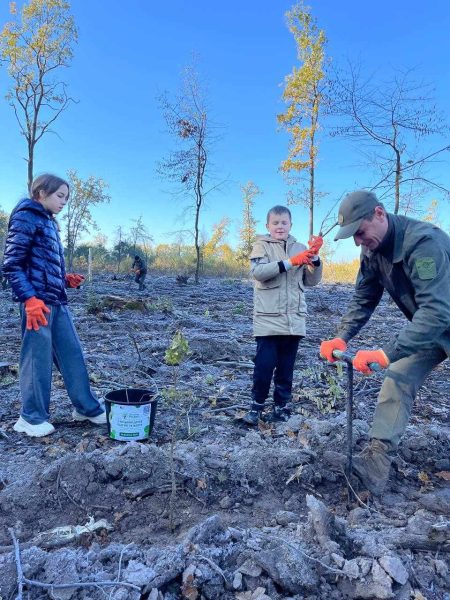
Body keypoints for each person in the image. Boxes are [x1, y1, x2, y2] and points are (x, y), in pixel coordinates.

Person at [320, 190, 450, 494]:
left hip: (436, 317)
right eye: (353, 236)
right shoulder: (372, 251)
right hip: (430, 328)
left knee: (394, 361)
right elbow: (364, 298)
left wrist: (384, 352)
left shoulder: (423, 243)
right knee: (398, 377)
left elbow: (436, 311)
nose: (358, 242)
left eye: (360, 232)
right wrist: (341, 335)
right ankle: (376, 464)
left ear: (379, 214)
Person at [2, 173, 107, 437]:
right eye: (60, 196)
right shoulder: (26, 215)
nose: (64, 202)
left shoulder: (50, 222)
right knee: (37, 360)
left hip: (56, 301)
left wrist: (63, 279)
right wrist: (29, 299)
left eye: (66, 198)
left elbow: (41, 263)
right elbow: (12, 265)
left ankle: (86, 407)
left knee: (72, 354)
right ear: (40, 193)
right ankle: (31, 417)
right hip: (36, 305)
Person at [243, 205, 323, 425]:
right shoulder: (261, 246)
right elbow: (258, 273)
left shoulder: (300, 247)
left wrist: (314, 259)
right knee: (264, 367)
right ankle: (256, 407)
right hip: (268, 320)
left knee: (286, 370)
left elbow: (311, 281)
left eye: (284, 223)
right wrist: (290, 262)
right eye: (275, 223)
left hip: (294, 320)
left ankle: (281, 407)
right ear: (267, 226)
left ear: (290, 225)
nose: (280, 227)